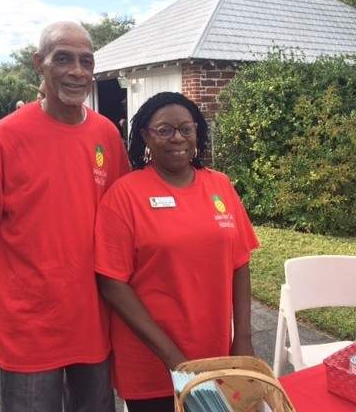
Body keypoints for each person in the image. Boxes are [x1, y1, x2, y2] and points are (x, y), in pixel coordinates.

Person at [94, 92, 258, 412]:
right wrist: (175, 361)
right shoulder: (124, 195)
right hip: (150, 362)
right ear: (145, 136)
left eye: (186, 128)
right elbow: (112, 283)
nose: (177, 138)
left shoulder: (220, 186)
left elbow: (240, 263)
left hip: (216, 354)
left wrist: (244, 338)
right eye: (165, 130)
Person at [0, 21, 129, 411]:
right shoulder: (5, 137)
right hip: (28, 326)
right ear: (40, 63)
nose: (77, 71)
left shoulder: (106, 134)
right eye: (63, 59)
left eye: (86, 61)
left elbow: (123, 222)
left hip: (94, 320)